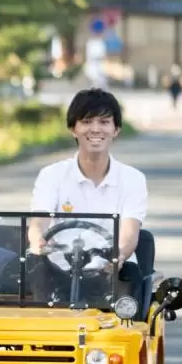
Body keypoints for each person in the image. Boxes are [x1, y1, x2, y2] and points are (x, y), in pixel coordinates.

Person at [26, 87, 147, 306]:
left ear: (116, 129)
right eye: (87, 121)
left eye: (104, 122)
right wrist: (37, 240)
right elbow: (39, 220)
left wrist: (118, 256)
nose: (95, 129)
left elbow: (129, 233)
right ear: (73, 129)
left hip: (111, 271)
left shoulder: (132, 178)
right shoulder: (51, 175)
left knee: (127, 304)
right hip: (57, 269)